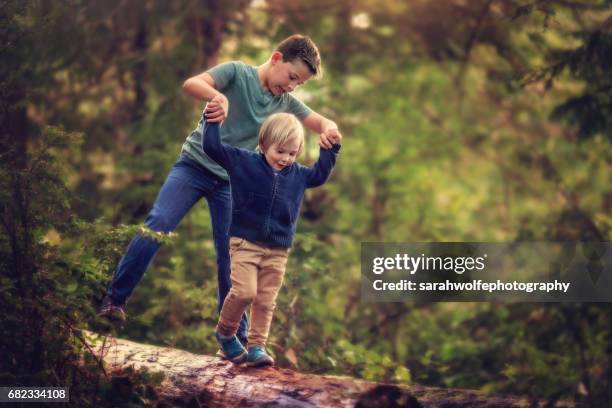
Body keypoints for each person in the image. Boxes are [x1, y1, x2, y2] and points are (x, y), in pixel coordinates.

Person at [99, 35, 342, 347]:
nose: (293, 86)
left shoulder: (285, 102)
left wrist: (330, 131)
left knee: (234, 256)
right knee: (157, 224)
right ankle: (114, 300)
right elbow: (192, 84)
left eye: (300, 84)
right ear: (277, 58)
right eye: (293, 77)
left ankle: (234, 337)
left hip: (231, 183)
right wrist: (218, 97)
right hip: (193, 167)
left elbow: (323, 122)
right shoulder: (236, 73)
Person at [202, 113, 340, 366]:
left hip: (278, 249)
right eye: (280, 151)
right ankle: (225, 333)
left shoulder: (297, 174)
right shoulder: (244, 162)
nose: (286, 159)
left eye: (292, 153)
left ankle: (256, 346)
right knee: (244, 292)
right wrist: (212, 121)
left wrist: (330, 148)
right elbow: (212, 147)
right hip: (245, 242)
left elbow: (320, 175)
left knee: (266, 300)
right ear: (264, 144)